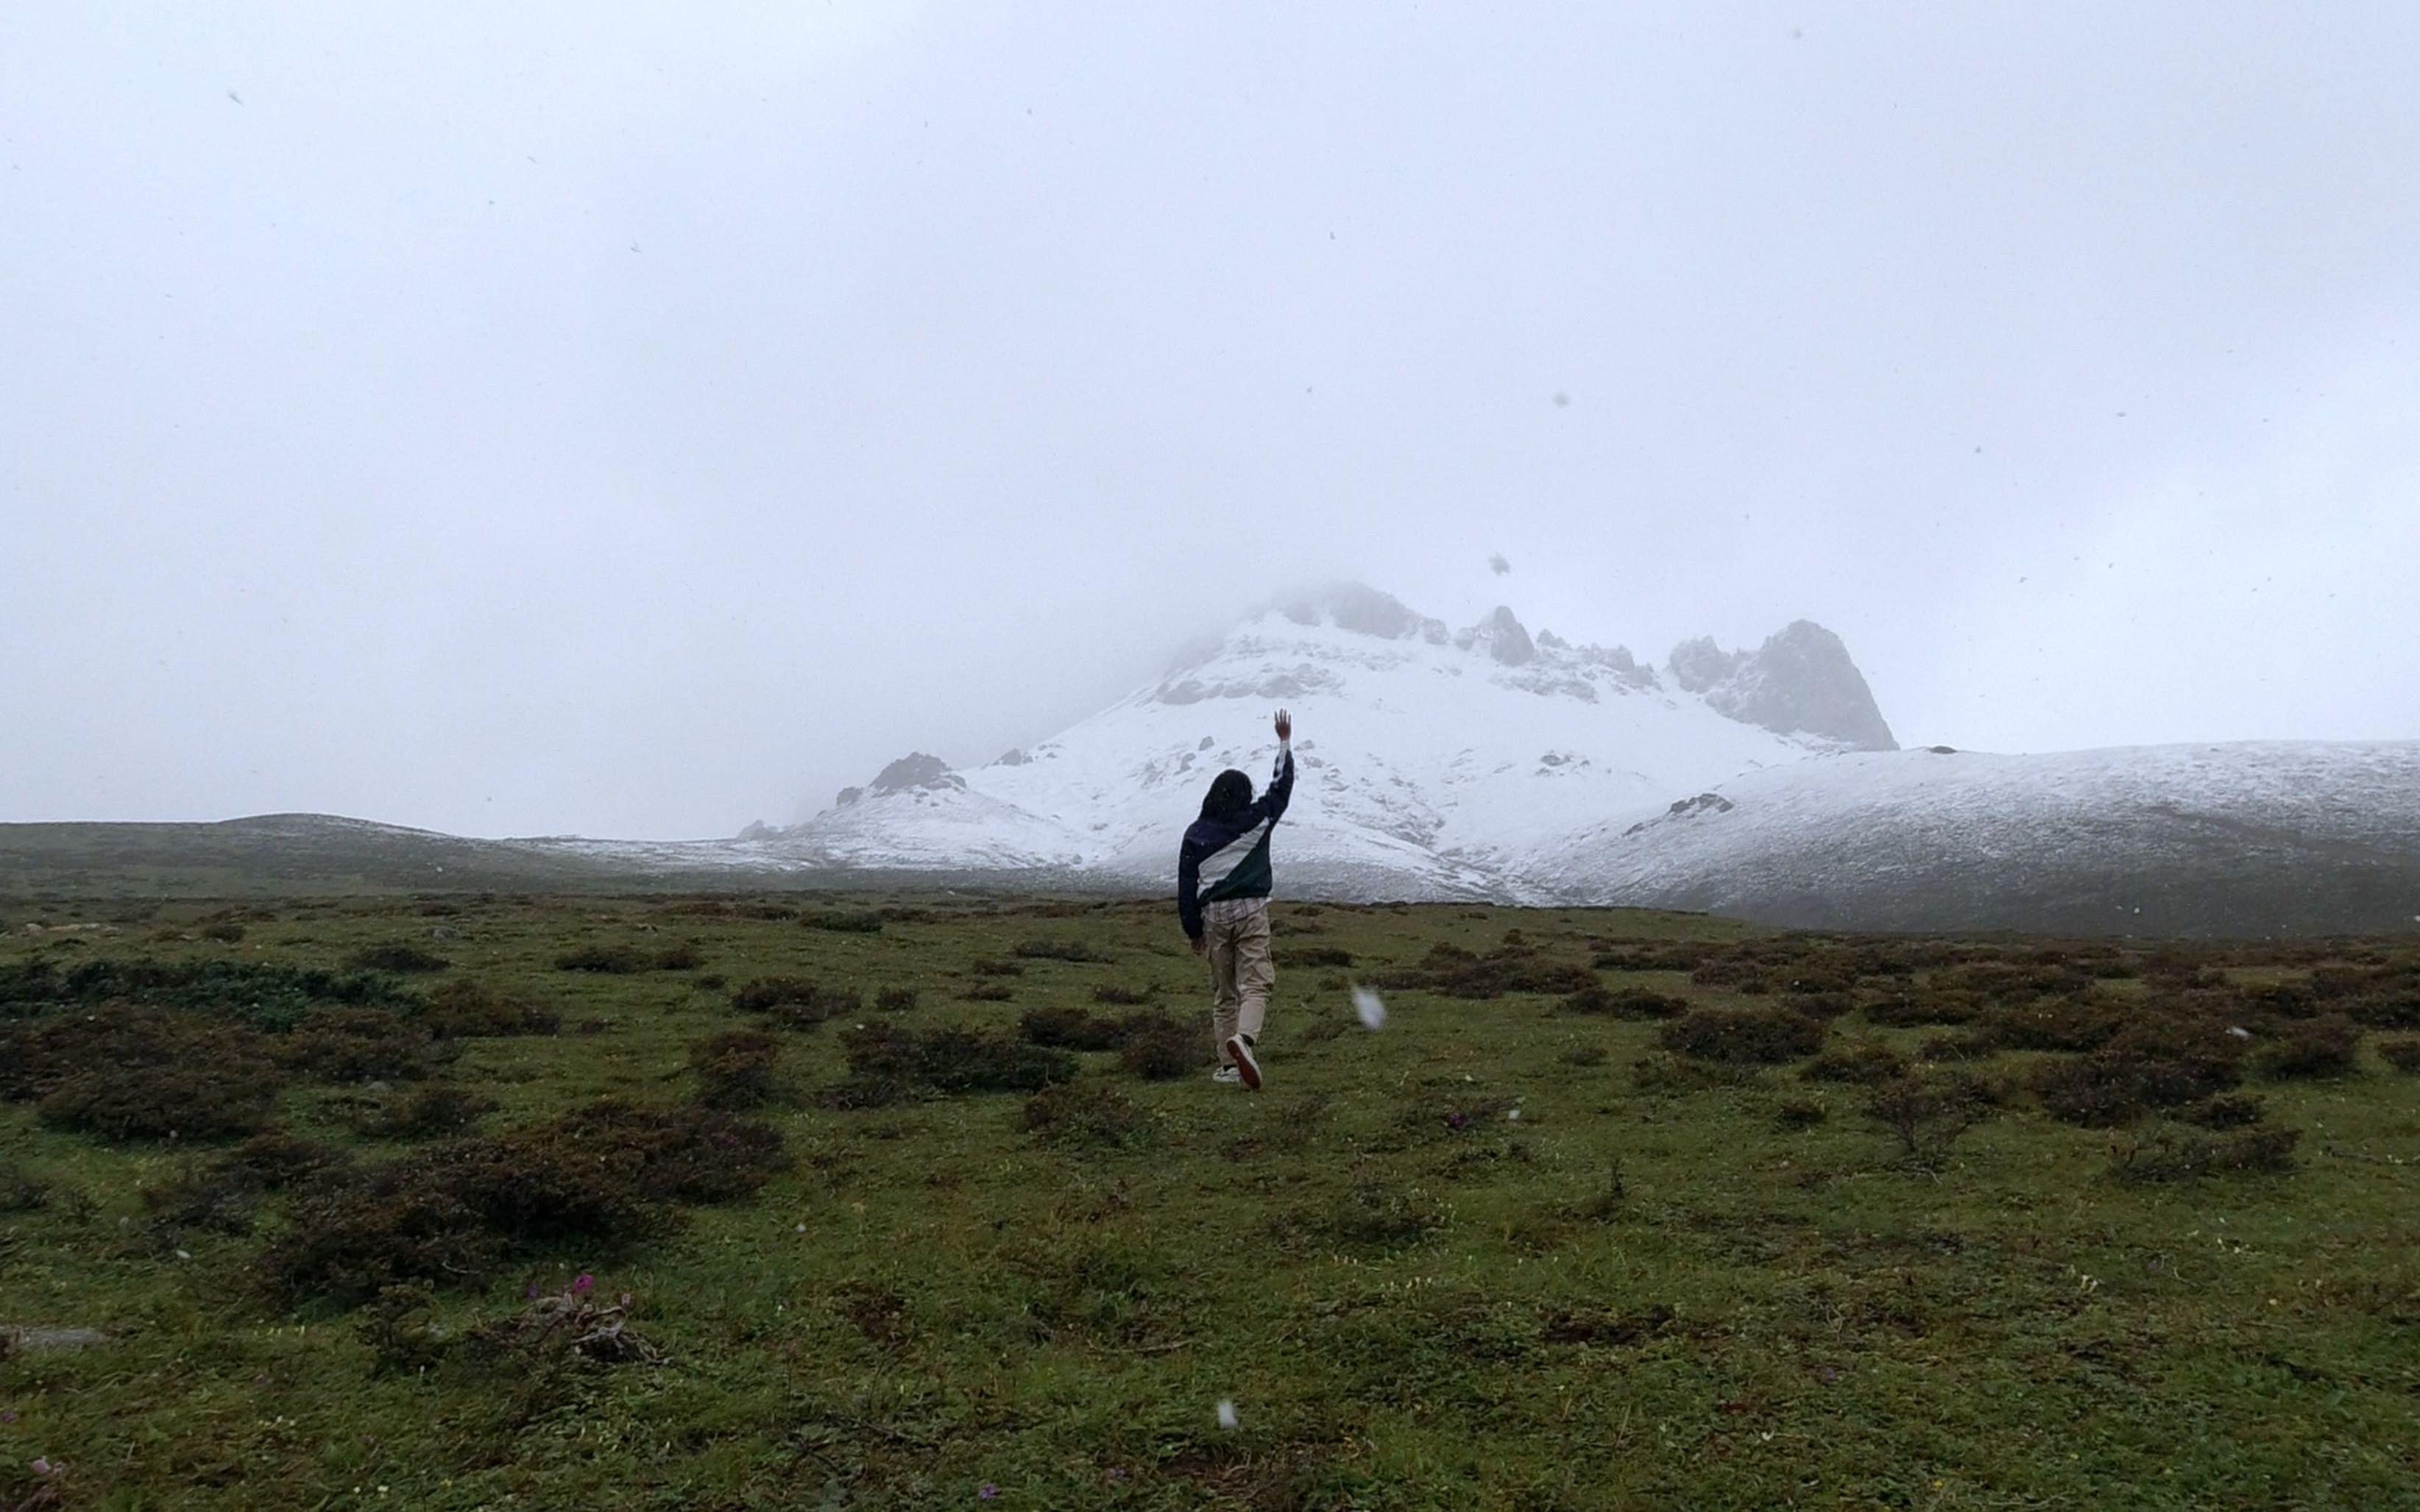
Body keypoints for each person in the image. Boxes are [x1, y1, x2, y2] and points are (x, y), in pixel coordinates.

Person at [1176, 709, 1295, 1090]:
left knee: (1224, 992)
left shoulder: (1196, 833)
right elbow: (1281, 789)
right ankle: (1244, 1040)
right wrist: (1284, 742)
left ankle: (1229, 1067)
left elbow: (1186, 885)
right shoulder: (1257, 819)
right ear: (1244, 796)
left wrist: (1193, 930)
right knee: (1256, 983)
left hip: (1213, 917)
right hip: (1251, 912)